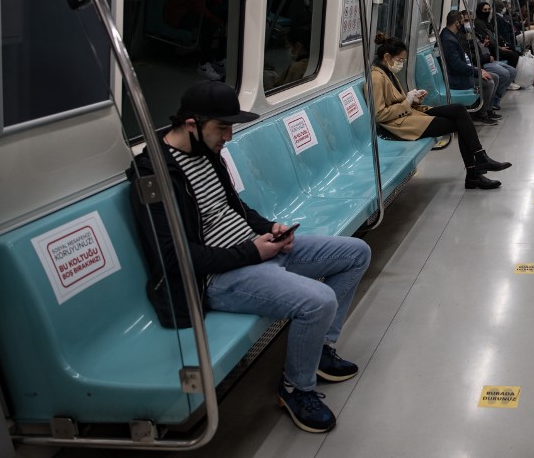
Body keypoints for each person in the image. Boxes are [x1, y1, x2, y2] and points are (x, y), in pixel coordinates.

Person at [126, 80, 371, 434]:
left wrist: (271, 227)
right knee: (318, 300)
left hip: (256, 249)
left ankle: (319, 348)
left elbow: (235, 207)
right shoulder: (153, 176)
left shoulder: (208, 154)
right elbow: (175, 256)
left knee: (355, 253)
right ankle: (296, 389)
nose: (228, 136)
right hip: (219, 277)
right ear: (191, 124)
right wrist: (251, 251)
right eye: (222, 127)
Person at [370, 34, 511, 189]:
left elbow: (398, 102)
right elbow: (379, 114)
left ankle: (478, 162)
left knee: (459, 110)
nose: (401, 64)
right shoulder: (376, 77)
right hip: (400, 125)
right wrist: (407, 102)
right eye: (400, 60)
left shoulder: (387, 73)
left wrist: (414, 100)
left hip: (409, 115)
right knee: (460, 123)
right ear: (387, 57)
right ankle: (475, 169)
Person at [440, 10, 499, 124]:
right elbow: (457, 65)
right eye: (462, 21)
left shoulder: (450, 35)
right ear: (457, 23)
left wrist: (478, 70)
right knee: (489, 83)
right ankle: (482, 114)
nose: (463, 24)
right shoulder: (448, 40)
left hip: (462, 72)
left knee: (495, 77)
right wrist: (477, 72)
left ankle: (487, 109)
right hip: (456, 78)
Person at [494, 0, 534, 70]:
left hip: (516, 33)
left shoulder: (502, 16)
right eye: (503, 7)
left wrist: (519, 27)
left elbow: (512, 26)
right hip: (514, 38)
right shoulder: (498, 19)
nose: (505, 8)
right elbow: (505, 34)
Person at [269, 24, 311, 89]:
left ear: (297, 46)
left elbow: (281, 90)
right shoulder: (311, 62)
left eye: (288, 45)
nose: (287, 49)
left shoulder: (296, 68)